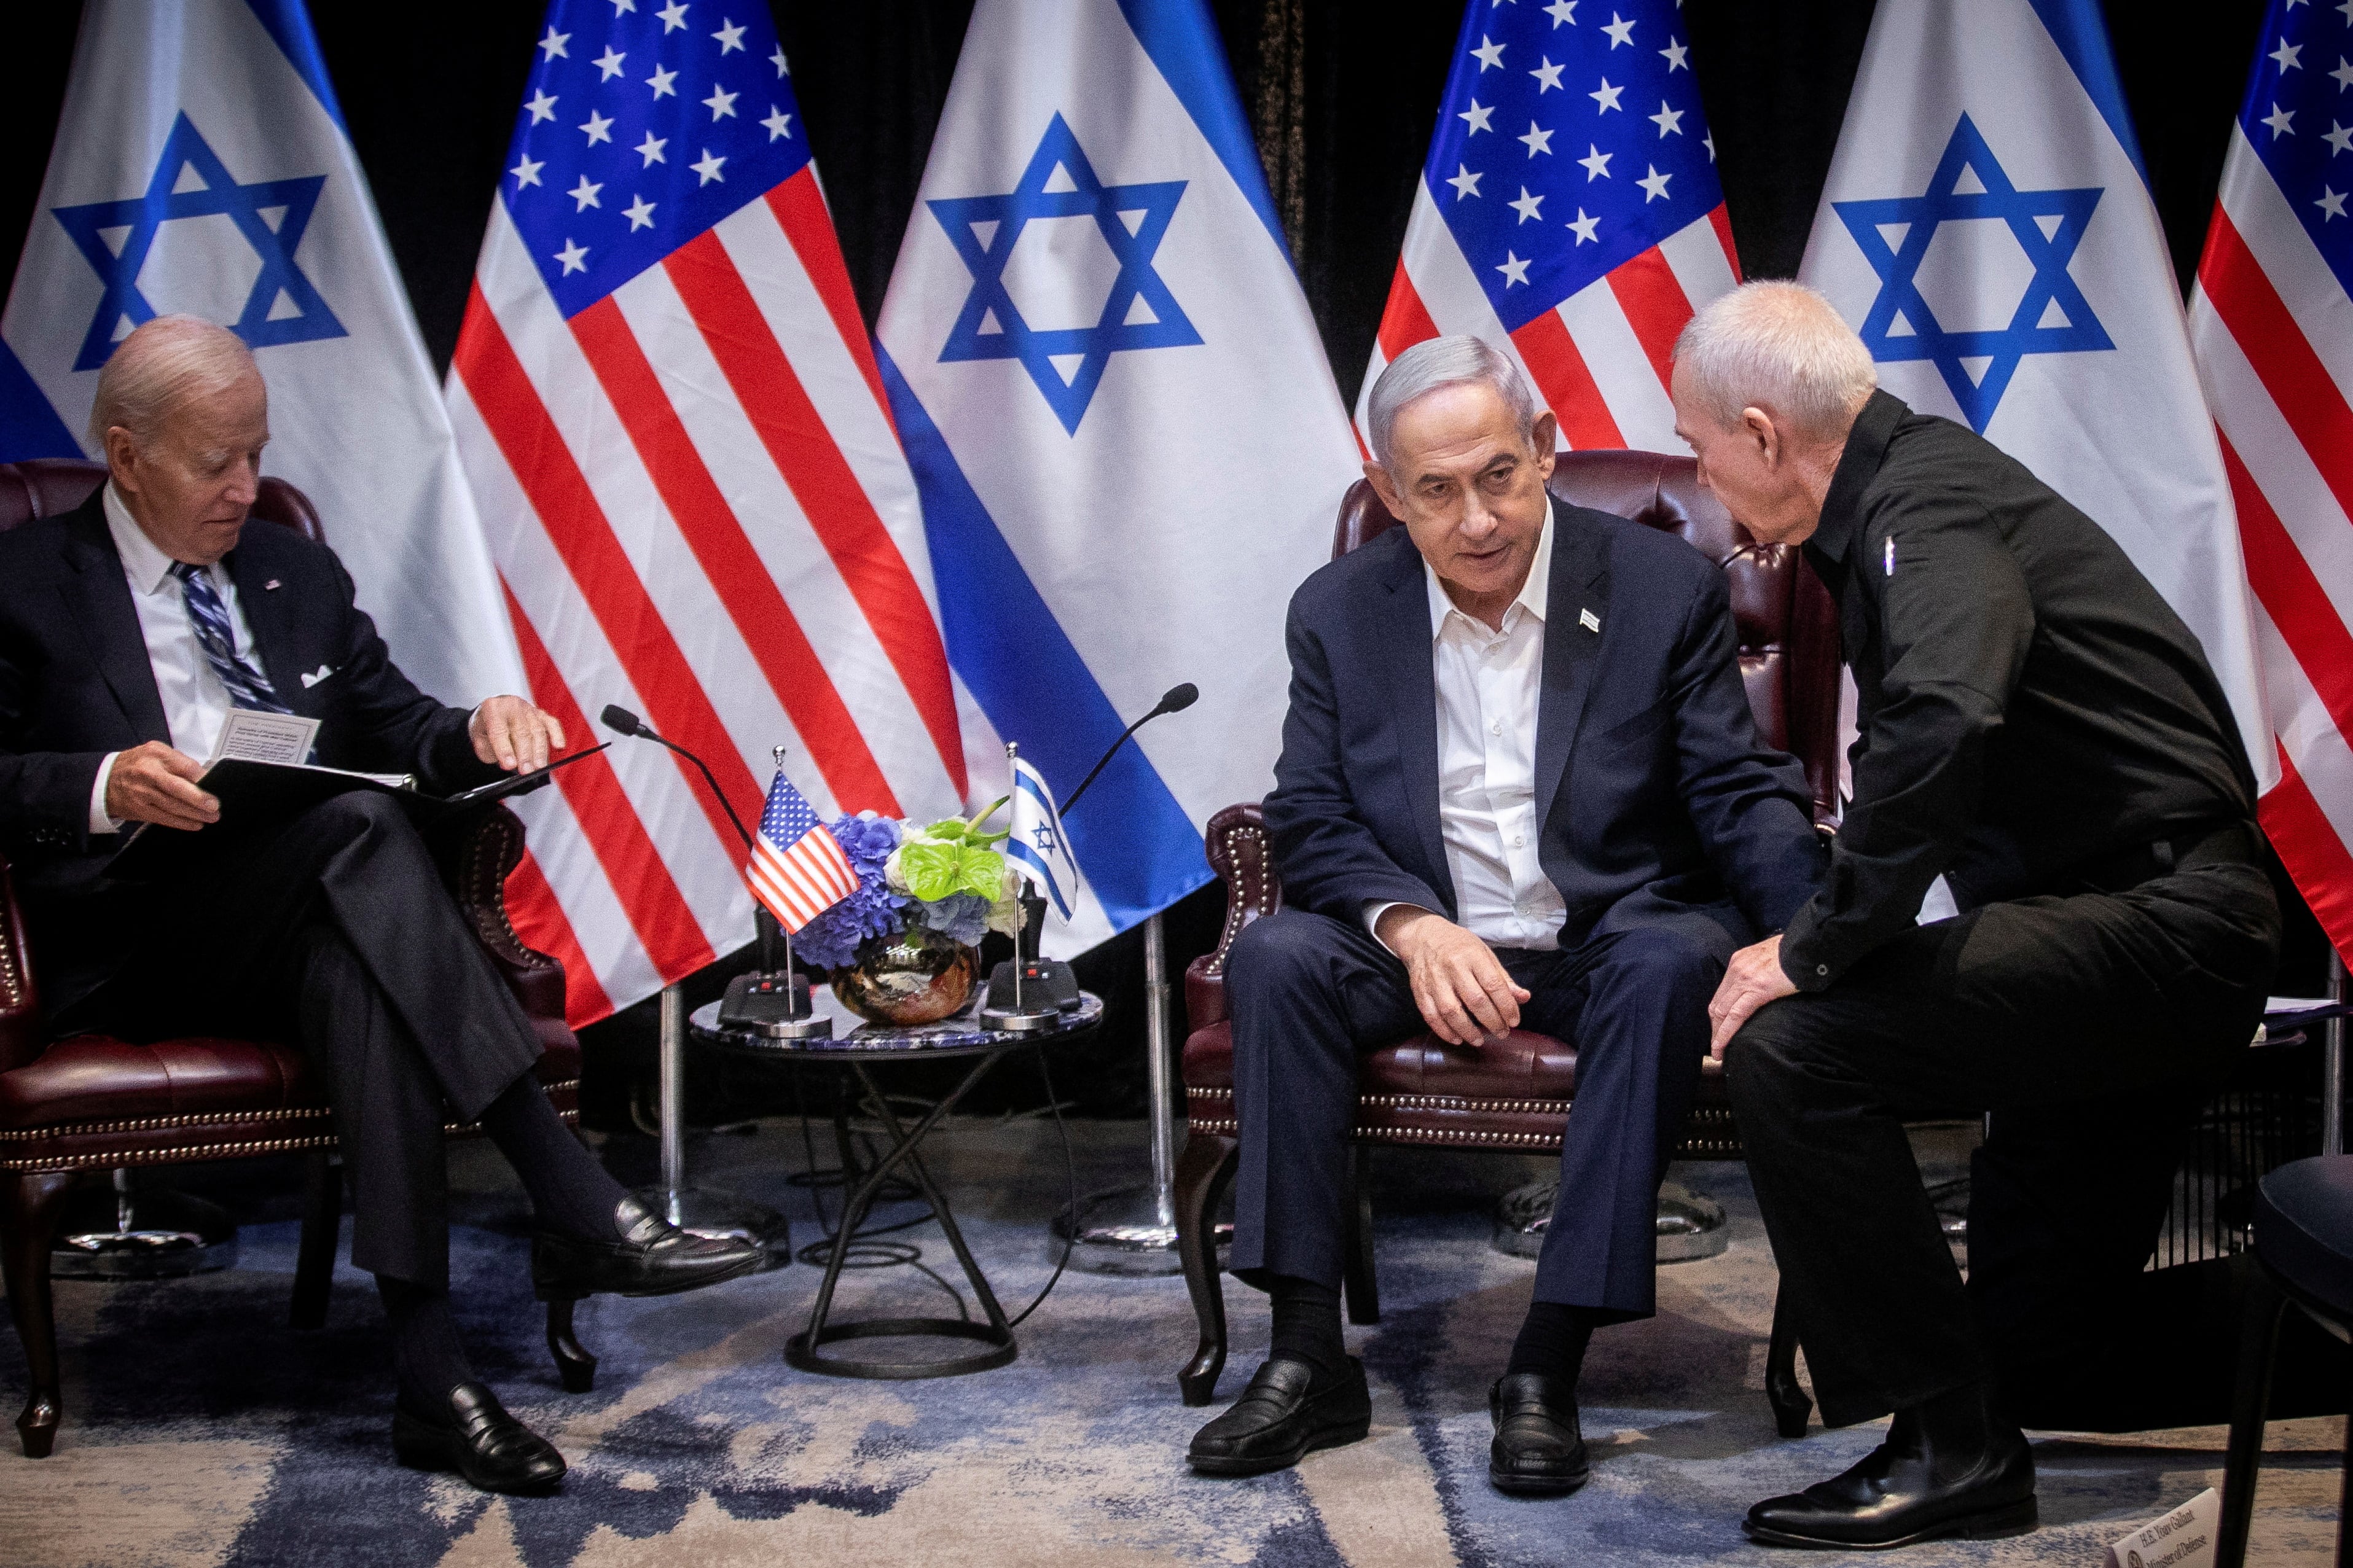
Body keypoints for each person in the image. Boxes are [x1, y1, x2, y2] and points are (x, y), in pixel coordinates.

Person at [0, 316, 761, 1494]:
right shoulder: (25, 581)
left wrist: (476, 729)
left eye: (257, 453)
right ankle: (565, 1187)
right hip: (131, 939)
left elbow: (397, 723)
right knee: (357, 832)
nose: (247, 487)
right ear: (126, 454)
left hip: (298, 915)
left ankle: (432, 1378)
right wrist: (100, 784)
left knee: (354, 945)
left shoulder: (291, 569)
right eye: (216, 464)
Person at [1679, 281, 2284, 1550]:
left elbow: (1944, 714)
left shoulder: (1925, 504)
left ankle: (1946, 1445)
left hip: (2160, 922)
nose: (1702, 474)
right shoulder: (1916, 494)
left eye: (1699, 448)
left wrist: (1813, 944)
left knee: (1798, 1043)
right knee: (2050, 1352)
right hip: (2123, 919)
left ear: (1761, 432)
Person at [1187, 336, 1826, 1496]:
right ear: (1389, 494)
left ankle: (1544, 1363)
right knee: (1279, 953)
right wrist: (1409, 926)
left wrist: (1821, 934)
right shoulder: (1338, 610)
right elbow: (1312, 812)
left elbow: (1734, 789)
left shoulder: (1658, 586)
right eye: (1433, 491)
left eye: (1496, 475)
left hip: (1604, 931)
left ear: (1542, 451)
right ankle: (1302, 1354)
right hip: (1432, 940)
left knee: (1667, 961)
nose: (1474, 518)